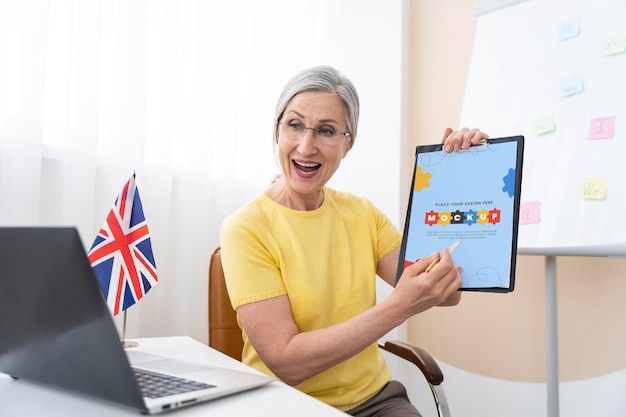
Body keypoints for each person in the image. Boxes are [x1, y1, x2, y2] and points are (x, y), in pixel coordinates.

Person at [220, 65, 488, 416]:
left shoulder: (362, 214)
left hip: (375, 402)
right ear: (277, 131)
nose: (306, 146)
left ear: (348, 143)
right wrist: (399, 306)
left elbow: (447, 292)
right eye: (295, 125)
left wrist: (459, 176)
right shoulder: (245, 228)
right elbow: (288, 364)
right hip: (288, 406)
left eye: (326, 131)